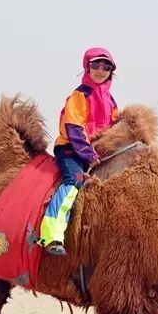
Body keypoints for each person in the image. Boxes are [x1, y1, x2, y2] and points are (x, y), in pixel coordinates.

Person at [39, 47, 119, 256]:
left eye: (106, 67)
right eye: (96, 65)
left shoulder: (110, 100)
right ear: (87, 67)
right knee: (74, 181)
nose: (101, 70)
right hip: (72, 150)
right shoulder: (79, 95)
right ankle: (51, 234)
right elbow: (74, 128)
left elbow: (114, 127)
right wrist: (89, 155)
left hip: (97, 151)